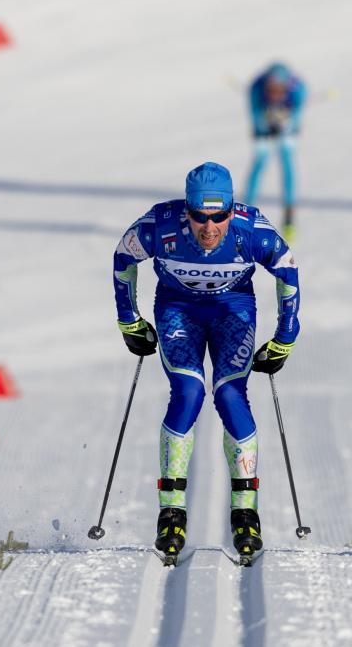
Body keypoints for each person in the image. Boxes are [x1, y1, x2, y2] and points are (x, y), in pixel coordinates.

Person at [112, 161, 301, 561]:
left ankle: (246, 513)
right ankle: (171, 510)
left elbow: (288, 270)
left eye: (219, 216)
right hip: (178, 309)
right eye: (199, 216)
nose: (209, 227)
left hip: (233, 310)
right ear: (188, 210)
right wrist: (128, 319)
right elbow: (123, 257)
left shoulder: (253, 231)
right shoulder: (160, 225)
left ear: (233, 209)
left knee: (231, 395)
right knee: (187, 392)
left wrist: (286, 335)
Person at [244, 62, 307, 241]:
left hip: (286, 126)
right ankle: (246, 211)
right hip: (264, 125)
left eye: (279, 90)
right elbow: (255, 115)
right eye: (271, 90)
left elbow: (297, 115)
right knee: (260, 161)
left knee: (287, 160)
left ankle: (289, 213)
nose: (275, 94)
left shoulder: (298, 89)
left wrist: (287, 124)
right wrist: (264, 126)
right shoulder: (256, 89)